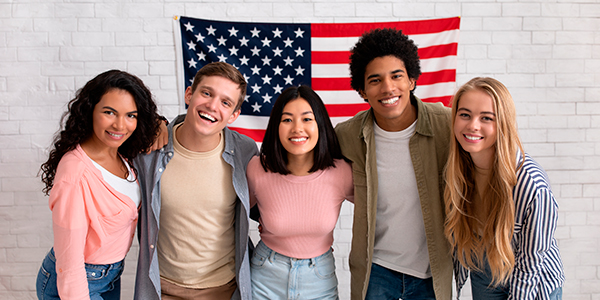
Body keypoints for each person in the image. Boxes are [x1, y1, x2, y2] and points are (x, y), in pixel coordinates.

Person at [334, 28, 453, 300]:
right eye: (375, 80)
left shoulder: (446, 124)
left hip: (433, 272)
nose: (388, 88)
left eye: (396, 76)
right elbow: (311, 174)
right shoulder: (347, 135)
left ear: (412, 79)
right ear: (362, 90)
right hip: (376, 271)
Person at [133, 62, 258, 300]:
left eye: (225, 102)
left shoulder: (245, 151)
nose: (212, 106)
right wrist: (157, 122)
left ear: (234, 115)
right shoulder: (150, 150)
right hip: (163, 289)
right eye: (207, 93)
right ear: (189, 94)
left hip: (225, 289)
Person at [35, 70, 160, 299]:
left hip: (110, 275)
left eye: (130, 115)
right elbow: (70, 263)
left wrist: (160, 125)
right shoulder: (75, 174)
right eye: (109, 112)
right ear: (89, 110)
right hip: (78, 280)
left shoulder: (123, 154)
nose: (120, 125)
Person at [444, 77, 565, 300]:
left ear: (503, 124)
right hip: (483, 269)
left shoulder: (531, 185)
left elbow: (530, 263)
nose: (473, 125)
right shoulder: (459, 168)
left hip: (533, 277)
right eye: (465, 114)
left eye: (486, 118)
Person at [247, 85, 354, 299]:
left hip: (319, 278)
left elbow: (376, 209)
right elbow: (233, 214)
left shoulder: (341, 171)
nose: (297, 128)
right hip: (265, 275)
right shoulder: (257, 168)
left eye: (307, 119)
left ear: (320, 124)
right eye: (287, 120)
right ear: (276, 126)